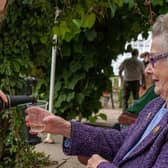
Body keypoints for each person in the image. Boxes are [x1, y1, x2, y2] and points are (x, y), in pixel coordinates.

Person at [26, 13, 168, 168]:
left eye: (153, 60)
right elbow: (123, 141)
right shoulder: (156, 106)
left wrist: (101, 166)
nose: (148, 69)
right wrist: (64, 127)